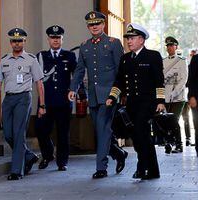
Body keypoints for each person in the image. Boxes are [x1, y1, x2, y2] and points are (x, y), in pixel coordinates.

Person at [68, 11, 128, 179]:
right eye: (91, 25)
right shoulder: (85, 45)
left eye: (97, 24)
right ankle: (118, 153)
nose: (94, 27)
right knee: (101, 130)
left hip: (110, 94)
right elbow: (80, 70)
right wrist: (73, 88)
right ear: (88, 27)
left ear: (103, 25)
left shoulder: (113, 43)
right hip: (93, 95)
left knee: (102, 129)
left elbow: (120, 70)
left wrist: (121, 93)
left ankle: (101, 167)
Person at [106, 23, 166, 180]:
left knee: (141, 133)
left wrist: (160, 101)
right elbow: (119, 81)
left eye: (132, 38)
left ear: (141, 39)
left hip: (147, 103)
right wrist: (112, 97)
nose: (129, 41)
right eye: (128, 39)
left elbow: (159, 81)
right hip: (131, 104)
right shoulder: (125, 59)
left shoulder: (153, 56)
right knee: (139, 138)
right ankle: (152, 170)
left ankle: (143, 168)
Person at [0, 28, 45, 180]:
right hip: (8, 99)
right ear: (10, 42)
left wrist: (42, 105)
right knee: (8, 133)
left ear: (24, 42)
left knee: (19, 133)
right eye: (14, 41)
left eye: (20, 40)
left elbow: (39, 84)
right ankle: (28, 155)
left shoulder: (31, 59)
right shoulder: (4, 60)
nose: (17, 43)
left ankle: (16, 171)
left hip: (23, 98)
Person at [35, 25, 77, 171]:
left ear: (62, 39)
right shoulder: (40, 56)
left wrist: (79, 92)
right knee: (40, 130)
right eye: (53, 38)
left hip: (63, 102)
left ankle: (62, 162)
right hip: (45, 102)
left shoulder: (69, 56)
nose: (55, 40)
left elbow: (76, 76)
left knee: (63, 133)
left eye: (58, 37)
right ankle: (47, 155)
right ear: (48, 39)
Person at [162, 36, 188, 153]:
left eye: (172, 45)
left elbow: (183, 79)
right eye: (168, 46)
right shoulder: (163, 61)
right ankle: (168, 142)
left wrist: (175, 92)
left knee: (174, 120)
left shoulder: (182, 61)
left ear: (176, 47)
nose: (170, 48)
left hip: (178, 97)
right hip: (166, 97)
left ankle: (178, 144)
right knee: (166, 120)